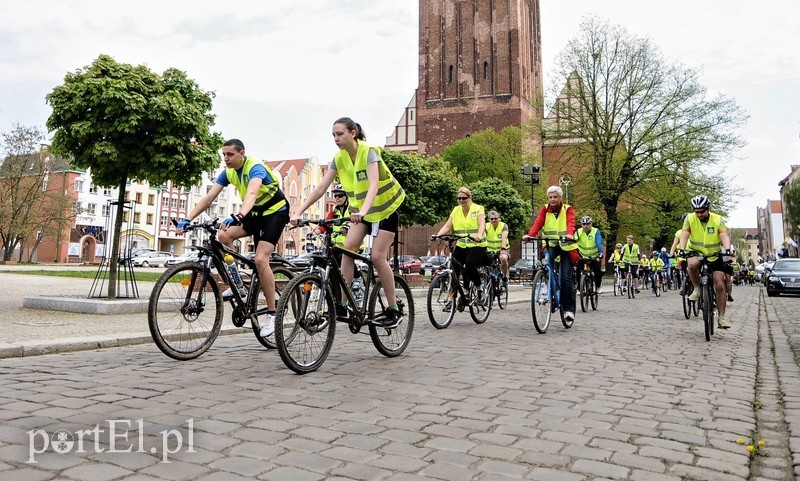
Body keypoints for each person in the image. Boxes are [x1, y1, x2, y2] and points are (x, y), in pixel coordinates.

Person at [291, 117, 406, 328]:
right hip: (360, 213)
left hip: (385, 209)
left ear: (353, 133)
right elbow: (319, 189)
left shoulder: (368, 151)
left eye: (340, 134)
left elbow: (373, 184)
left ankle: (393, 309)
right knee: (347, 249)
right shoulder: (339, 158)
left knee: (377, 257)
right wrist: (299, 212)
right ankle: (343, 304)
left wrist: (363, 210)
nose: (336, 138)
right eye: (333, 135)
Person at [178, 138, 289, 338]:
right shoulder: (228, 172)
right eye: (224, 155)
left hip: (274, 212)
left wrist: (239, 215)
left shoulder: (255, 167)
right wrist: (187, 218)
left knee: (261, 259)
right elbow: (209, 197)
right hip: (254, 214)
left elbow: (253, 192)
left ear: (241, 154)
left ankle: (273, 314)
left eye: (230, 155)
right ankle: (237, 283)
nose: (226, 159)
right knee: (223, 235)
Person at [522, 185, 579, 322]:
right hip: (551, 244)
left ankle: (568, 309)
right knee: (545, 264)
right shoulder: (544, 209)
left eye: (555, 197)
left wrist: (570, 234)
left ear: (560, 198)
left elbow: (571, 223)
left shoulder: (568, 209)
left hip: (566, 245)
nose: (552, 200)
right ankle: (546, 284)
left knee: (566, 278)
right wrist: (530, 235)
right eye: (550, 197)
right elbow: (538, 223)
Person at [679, 195, 733, 328]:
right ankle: (697, 288)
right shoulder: (690, 218)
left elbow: (724, 235)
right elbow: (685, 234)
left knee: (719, 284)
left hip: (714, 254)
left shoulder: (717, 219)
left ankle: (721, 318)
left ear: (707, 208)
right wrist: (682, 249)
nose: (699, 214)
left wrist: (727, 249)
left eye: (702, 211)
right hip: (695, 251)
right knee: (691, 265)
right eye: (696, 212)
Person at [435, 187, 488, 303]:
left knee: (469, 264)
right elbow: (448, 226)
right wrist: (437, 235)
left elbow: (482, 225)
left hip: (477, 245)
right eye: (459, 198)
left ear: (470, 198)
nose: (461, 201)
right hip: (462, 245)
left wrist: (479, 235)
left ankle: (479, 288)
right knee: (453, 269)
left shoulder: (478, 209)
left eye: (464, 198)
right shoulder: (456, 210)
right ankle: (452, 299)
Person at [575, 216, 604, 294]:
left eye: (588, 224)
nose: (585, 226)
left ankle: (598, 286)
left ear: (591, 224)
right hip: (582, 256)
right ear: (581, 224)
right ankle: (579, 288)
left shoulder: (596, 231)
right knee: (577, 271)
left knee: (597, 271)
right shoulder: (578, 232)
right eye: (583, 224)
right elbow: (574, 243)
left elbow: (599, 243)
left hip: (594, 256)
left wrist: (600, 254)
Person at [485, 210, 510, 284]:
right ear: (489, 220)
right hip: (490, 250)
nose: (494, 220)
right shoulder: (486, 226)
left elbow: (504, 237)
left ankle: (505, 276)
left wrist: (503, 248)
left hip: (502, 249)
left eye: (496, 218)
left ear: (499, 219)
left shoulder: (503, 225)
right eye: (492, 219)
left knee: (503, 258)